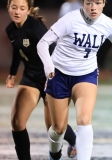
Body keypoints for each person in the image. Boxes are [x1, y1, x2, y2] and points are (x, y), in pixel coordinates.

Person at [37, 0, 112, 159]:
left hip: (86, 74)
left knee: (84, 119)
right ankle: (54, 153)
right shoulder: (70, 19)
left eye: (97, 2)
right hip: (59, 75)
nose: (93, 7)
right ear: (82, 3)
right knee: (58, 129)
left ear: (104, 3)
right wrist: (48, 66)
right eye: (89, 3)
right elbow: (42, 43)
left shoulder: (107, 24)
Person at [5, 0, 77, 159]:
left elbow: (53, 51)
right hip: (31, 78)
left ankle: (75, 140)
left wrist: (54, 79)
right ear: (8, 8)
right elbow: (17, 50)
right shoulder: (10, 29)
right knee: (17, 122)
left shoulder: (36, 28)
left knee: (55, 128)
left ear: (28, 10)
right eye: (14, 7)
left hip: (52, 78)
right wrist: (12, 74)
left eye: (22, 8)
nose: (17, 11)